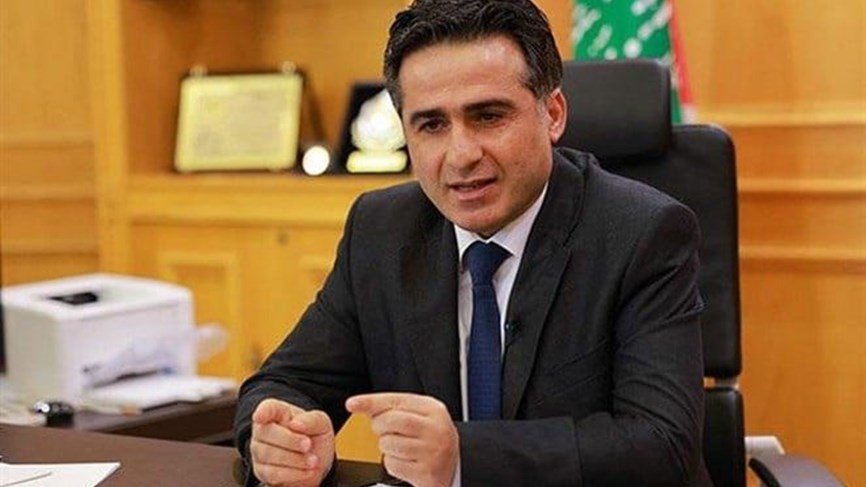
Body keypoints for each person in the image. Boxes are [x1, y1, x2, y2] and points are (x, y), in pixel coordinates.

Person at [234, 1, 711, 486]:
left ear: (552, 114)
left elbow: (662, 446)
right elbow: (287, 383)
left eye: (488, 116)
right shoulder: (381, 230)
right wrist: (282, 439)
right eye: (431, 125)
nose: (461, 155)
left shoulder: (642, 233)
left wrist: (463, 457)